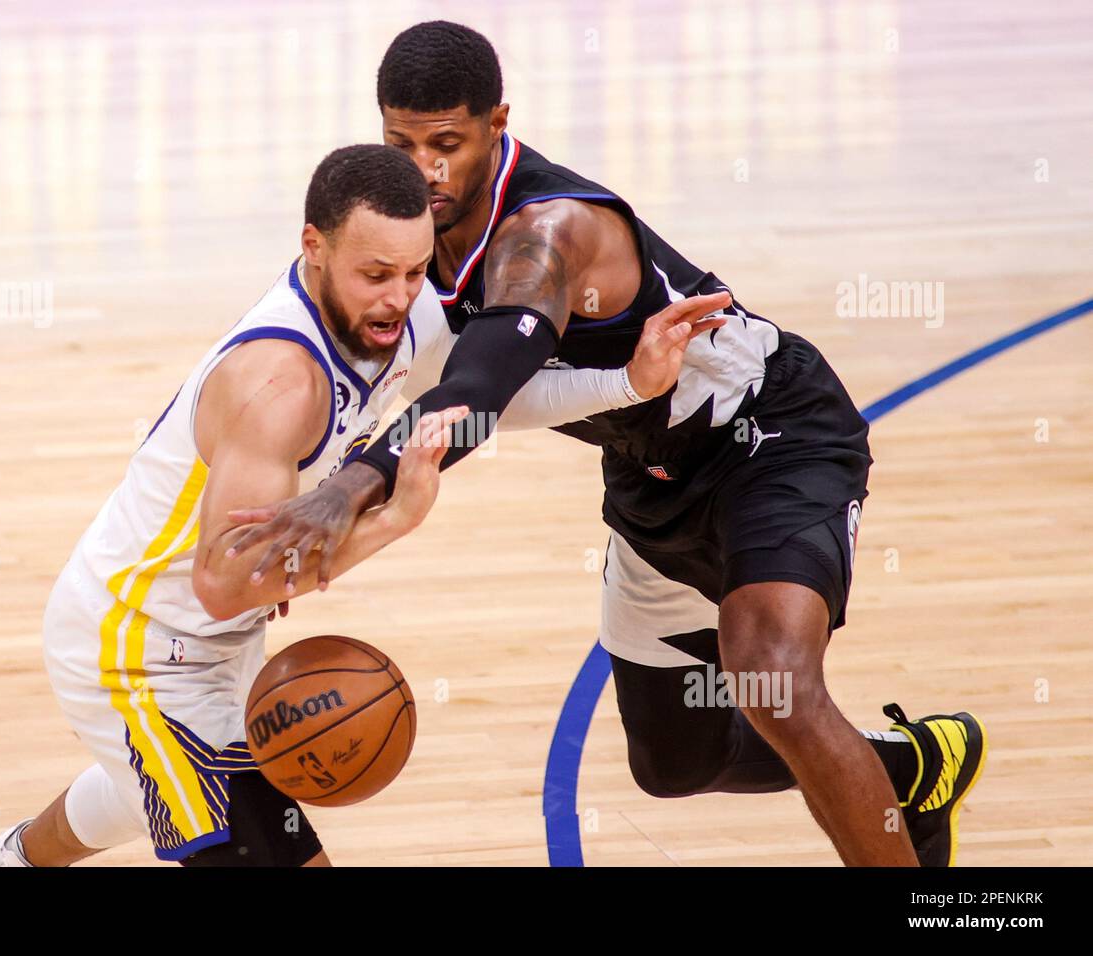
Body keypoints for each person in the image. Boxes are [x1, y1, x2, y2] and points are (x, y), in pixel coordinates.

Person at [225, 22, 987, 867]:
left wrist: (343, 493)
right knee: (674, 765)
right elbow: (433, 394)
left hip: (770, 439)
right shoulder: (409, 240)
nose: (426, 169)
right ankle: (906, 769)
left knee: (774, 678)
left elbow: (481, 387)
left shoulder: (549, 233)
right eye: (403, 143)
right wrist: (306, 510)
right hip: (649, 476)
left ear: (497, 124)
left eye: (448, 143)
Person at [0, 142, 718, 868]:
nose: (399, 298)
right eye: (375, 275)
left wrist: (625, 383)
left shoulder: (400, 314)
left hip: (216, 639)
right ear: (313, 248)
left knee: (141, 789)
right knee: (208, 798)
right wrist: (392, 521)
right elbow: (227, 582)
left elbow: (484, 399)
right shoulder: (276, 386)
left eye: (413, 271)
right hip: (138, 650)